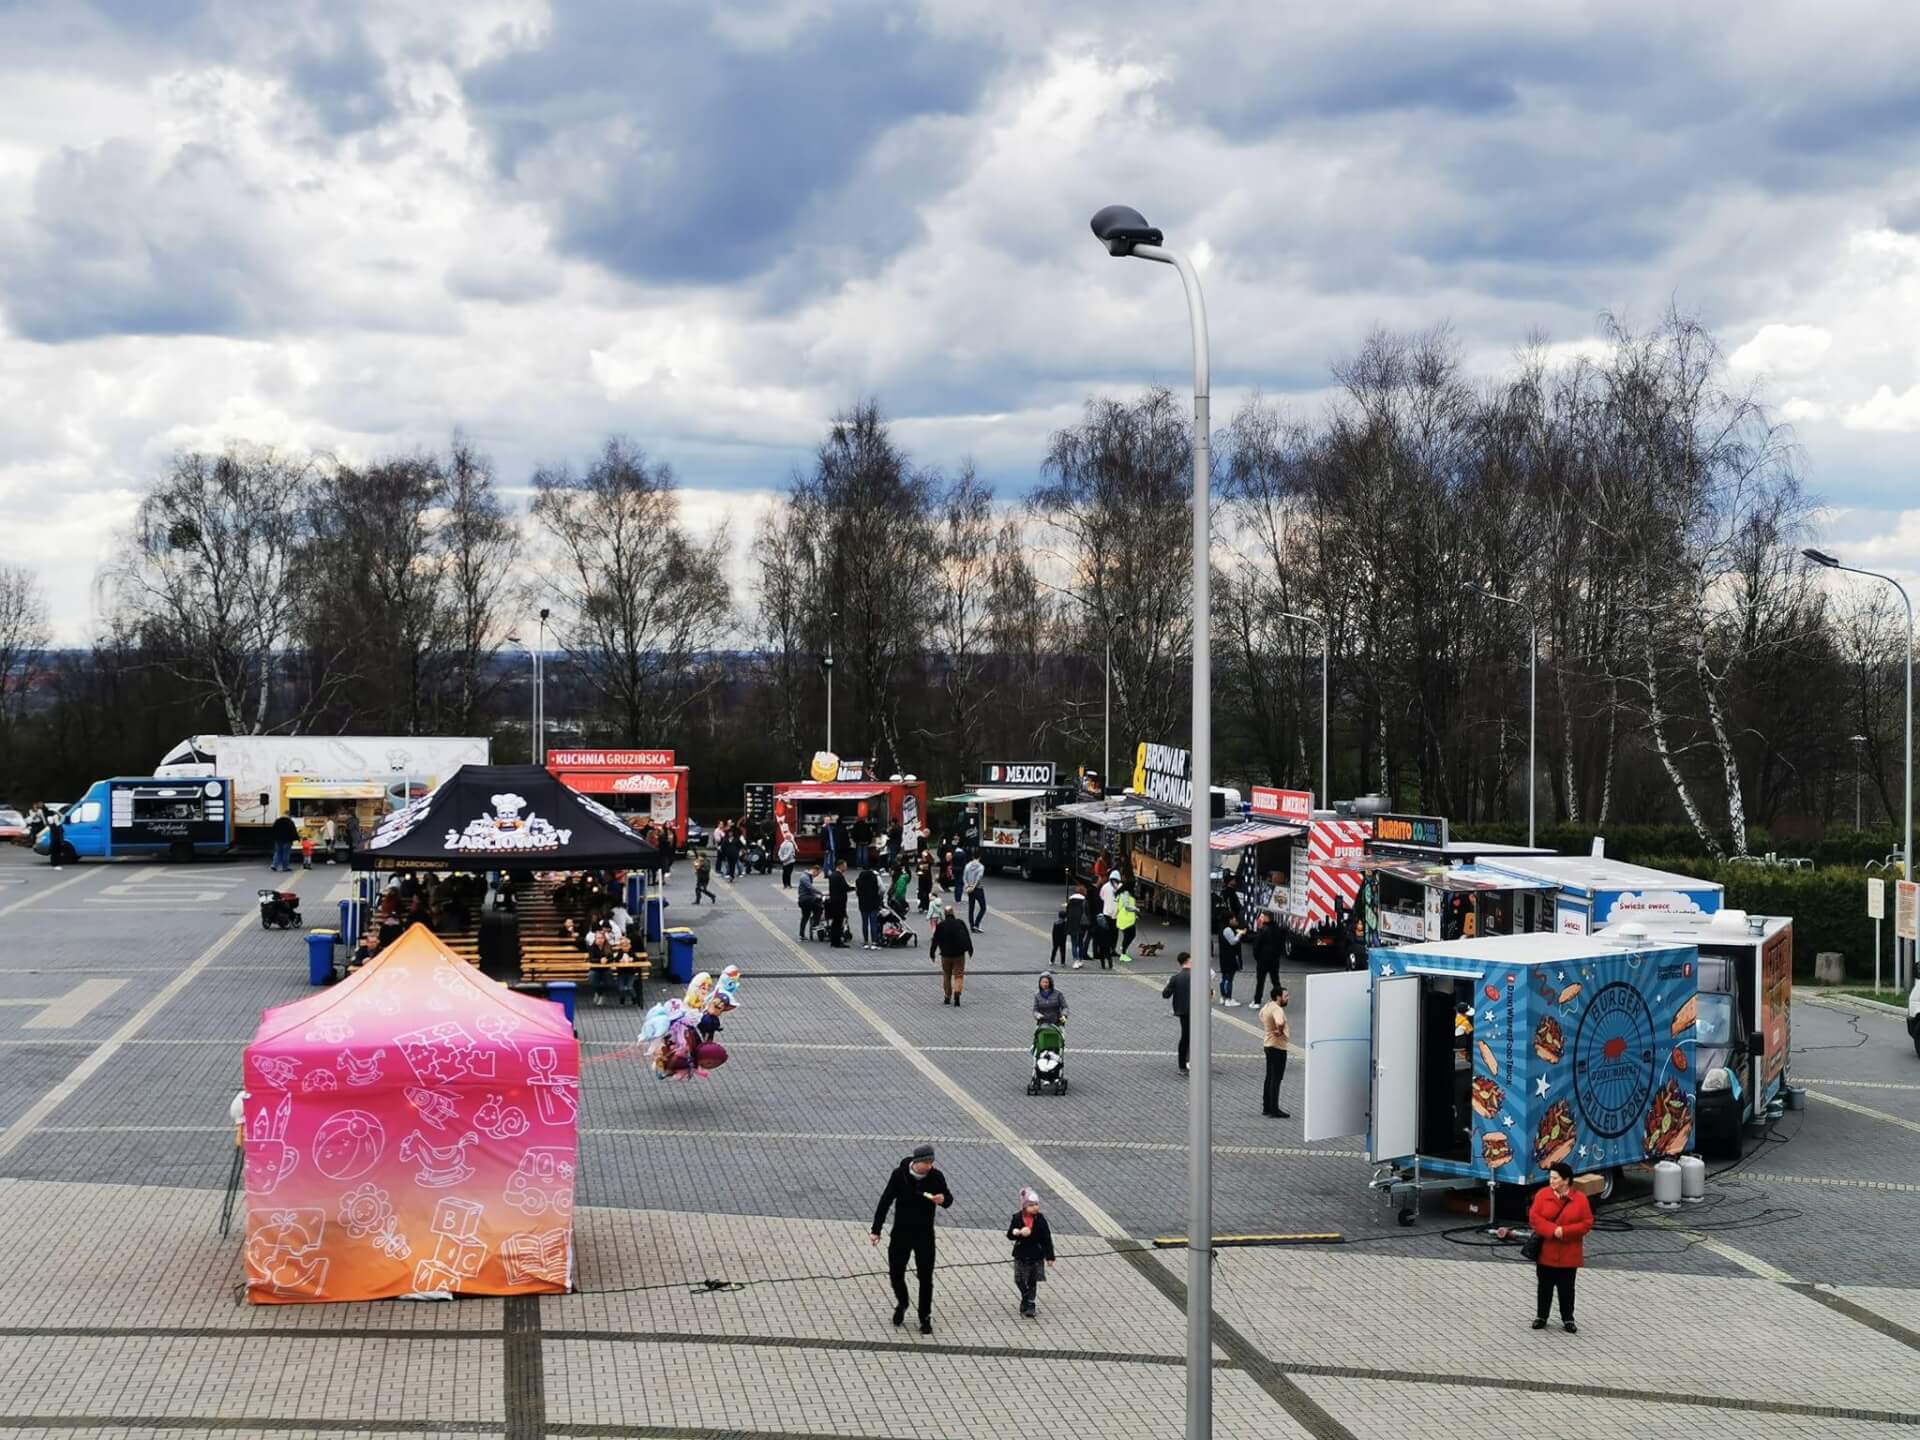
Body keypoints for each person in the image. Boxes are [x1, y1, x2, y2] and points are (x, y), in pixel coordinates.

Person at [869, 1143, 952, 1335]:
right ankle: (903, 1302)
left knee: (926, 1277)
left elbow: (948, 1199)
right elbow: (885, 1201)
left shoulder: (936, 1177)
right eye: (926, 1162)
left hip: (924, 1236)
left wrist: (943, 1200)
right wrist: (876, 1230)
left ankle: (925, 1317)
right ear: (916, 1162)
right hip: (901, 1233)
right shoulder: (899, 1175)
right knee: (895, 1273)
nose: (929, 1166)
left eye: (931, 1162)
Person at [1528, 1161, 1592, 1333]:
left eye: (1555, 1178)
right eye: (1551, 1177)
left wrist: (1564, 1231)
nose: (1551, 1181)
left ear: (1566, 1180)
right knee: (1544, 1287)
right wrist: (1552, 1230)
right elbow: (1534, 1218)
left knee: (1567, 1289)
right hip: (1546, 1253)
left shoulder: (1580, 1199)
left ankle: (1568, 1318)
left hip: (1569, 1254)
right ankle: (1541, 1316)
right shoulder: (1543, 1195)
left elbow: (1586, 1223)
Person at [1006, 1185, 1056, 1319]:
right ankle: (1026, 1297)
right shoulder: (1017, 1218)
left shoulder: (1040, 1219)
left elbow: (1046, 1238)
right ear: (1024, 1206)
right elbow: (1010, 1234)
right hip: (1021, 1254)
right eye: (1031, 1205)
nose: (1035, 1207)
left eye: (1036, 1204)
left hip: (1036, 1254)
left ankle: (1030, 1304)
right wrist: (1017, 1232)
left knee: (1032, 1280)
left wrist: (1050, 1256)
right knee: (1019, 1279)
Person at [1260, 984, 1291, 1118]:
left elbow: (1260, 1016)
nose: (1288, 998)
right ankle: (1274, 1109)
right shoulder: (1277, 1009)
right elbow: (1279, 1021)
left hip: (1268, 1044)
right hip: (1278, 1046)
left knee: (1269, 1076)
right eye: (1286, 996)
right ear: (1278, 997)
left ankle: (1266, 1106)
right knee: (1276, 1078)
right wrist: (1279, 1029)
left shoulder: (1267, 1006)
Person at [931, 907, 972, 1005]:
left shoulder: (941, 925)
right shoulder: (960, 923)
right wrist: (970, 949)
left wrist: (932, 953)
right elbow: (967, 936)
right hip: (959, 955)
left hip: (945, 955)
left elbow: (935, 940)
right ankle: (957, 992)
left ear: (945, 914)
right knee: (958, 975)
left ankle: (947, 996)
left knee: (947, 975)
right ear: (953, 913)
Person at [1162, 951, 1193, 1074]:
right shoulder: (1198, 976)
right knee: (1198, 1037)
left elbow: (1165, 995)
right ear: (1188, 960)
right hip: (1197, 1011)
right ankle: (1194, 1060)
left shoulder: (1175, 978)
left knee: (1185, 1037)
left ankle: (1182, 1065)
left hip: (1183, 1011)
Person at [1249, 912, 1285, 1006]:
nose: (1262, 918)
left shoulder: (1263, 929)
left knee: (1260, 981)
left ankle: (1257, 1001)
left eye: (1263, 916)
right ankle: (1280, 999)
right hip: (1274, 959)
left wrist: (1256, 956)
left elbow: (1257, 944)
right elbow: (1281, 943)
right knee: (1275, 981)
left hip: (1263, 959)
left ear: (1267, 917)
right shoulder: (1278, 929)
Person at [1218, 916, 1245, 1007]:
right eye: (1234, 920)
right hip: (1230, 957)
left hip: (1224, 956)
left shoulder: (1222, 928)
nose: (1236, 921)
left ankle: (1223, 997)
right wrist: (1239, 934)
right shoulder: (1228, 930)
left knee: (1224, 977)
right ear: (1229, 920)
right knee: (1229, 979)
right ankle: (1228, 999)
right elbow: (1233, 941)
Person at [826, 860, 852, 948]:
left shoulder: (832, 875)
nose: (846, 867)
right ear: (840, 866)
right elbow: (845, 887)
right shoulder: (839, 876)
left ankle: (834, 941)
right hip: (839, 903)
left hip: (833, 901)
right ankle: (837, 941)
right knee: (838, 922)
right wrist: (853, 887)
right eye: (845, 865)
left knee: (835, 922)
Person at [856, 862, 882, 950]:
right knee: (873, 923)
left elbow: (858, 892)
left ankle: (866, 942)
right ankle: (874, 942)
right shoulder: (875, 877)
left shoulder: (859, 879)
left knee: (865, 923)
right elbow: (881, 889)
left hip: (863, 904)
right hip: (874, 903)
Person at [1096, 872, 1119, 968]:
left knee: (1105, 934)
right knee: (1114, 933)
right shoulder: (1119, 887)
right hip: (1116, 914)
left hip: (1106, 913)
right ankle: (1112, 949)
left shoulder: (1105, 887)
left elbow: (1101, 897)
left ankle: (1105, 950)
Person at [1065, 883, 1089, 969]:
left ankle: (1075, 960)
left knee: (1074, 943)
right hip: (1081, 924)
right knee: (1080, 943)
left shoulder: (1070, 900)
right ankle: (1080, 960)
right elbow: (1087, 912)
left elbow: (1067, 911)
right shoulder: (1084, 901)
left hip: (1071, 923)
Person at [1113, 882, 1138, 960]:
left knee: (1129, 935)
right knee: (1130, 935)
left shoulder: (1123, 893)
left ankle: (1124, 948)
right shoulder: (1125, 893)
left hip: (1127, 918)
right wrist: (1137, 909)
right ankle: (1123, 953)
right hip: (1125, 918)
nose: (1135, 888)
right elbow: (1127, 906)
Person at [963, 852, 987, 931]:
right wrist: (974, 886)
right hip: (978, 888)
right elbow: (978, 878)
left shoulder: (967, 865)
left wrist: (967, 886)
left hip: (969, 889)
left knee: (971, 908)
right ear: (979, 857)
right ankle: (977, 924)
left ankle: (972, 926)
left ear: (972, 857)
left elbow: (964, 877)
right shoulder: (981, 867)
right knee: (983, 907)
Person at [797, 865, 823, 938]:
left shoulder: (807, 876)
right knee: (819, 906)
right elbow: (810, 888)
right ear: (815, 870)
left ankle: (801, 934)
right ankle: (815, 924)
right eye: (817, 874)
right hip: (805, 899)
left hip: (805, 899)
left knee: (805, 916)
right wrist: (820, 893)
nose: (816, 876)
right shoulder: (805, 877)